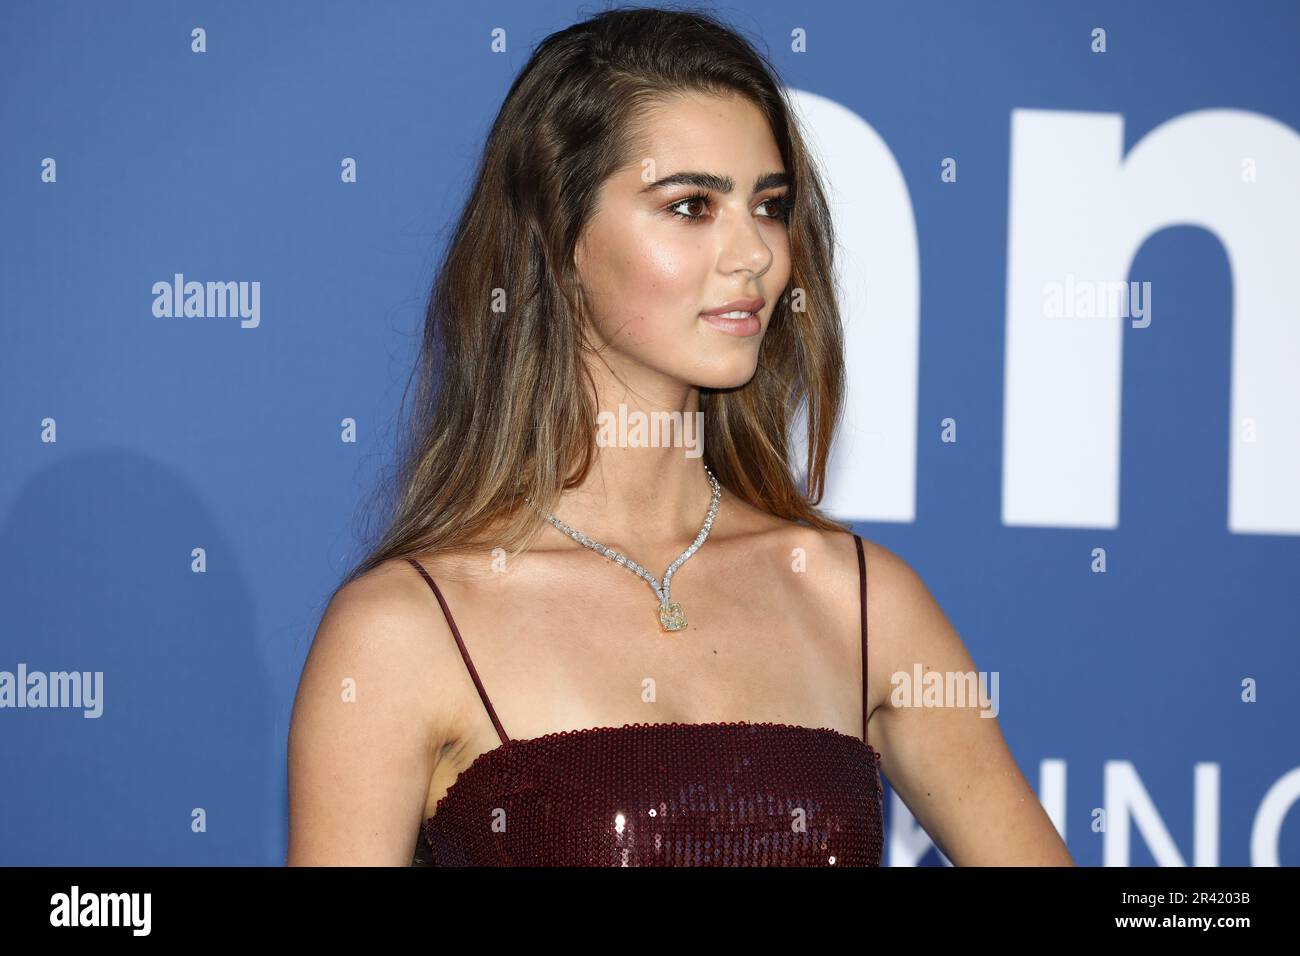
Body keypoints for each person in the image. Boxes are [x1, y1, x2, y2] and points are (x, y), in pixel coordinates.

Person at [286, 6, 1074, 867]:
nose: (755, 256)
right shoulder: (403, 630)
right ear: (559, 235)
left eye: (769, 207)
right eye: (692, 205)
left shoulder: (858, 600)